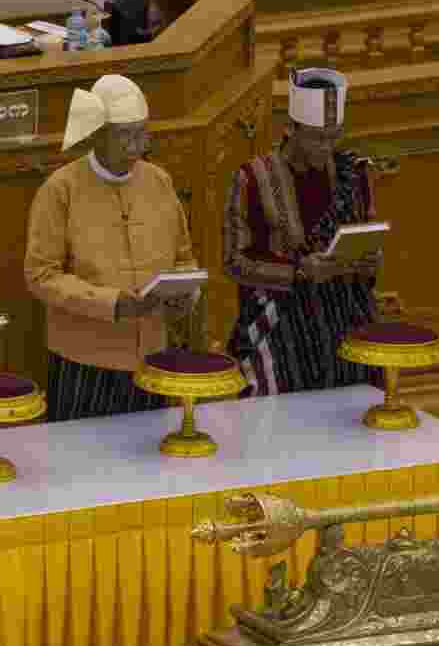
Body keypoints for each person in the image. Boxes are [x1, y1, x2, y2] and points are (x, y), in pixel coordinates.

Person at [25, 74, 198, 422]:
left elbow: (184, 258)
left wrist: (185, 293)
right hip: (84, 360)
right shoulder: (61, 189)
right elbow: (41, 276)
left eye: (142, 133)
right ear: (97, 134)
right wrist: (112, 304)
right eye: (125, 136)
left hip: (152, 353)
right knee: (81, 465)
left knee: (151, 464)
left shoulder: (158, 181)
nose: (137, 147)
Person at [223, 68, 381, 396]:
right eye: (316, 137)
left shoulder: (353, 172)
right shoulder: (252, 178)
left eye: (334, 136)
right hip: (280, 326)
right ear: (290, 130)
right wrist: (299, 272)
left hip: (345, 318)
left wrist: (369, 263)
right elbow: (235, 262)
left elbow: (367, 237)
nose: (327, 147)